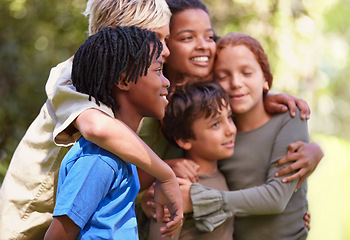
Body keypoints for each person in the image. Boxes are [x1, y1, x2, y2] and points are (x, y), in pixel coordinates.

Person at [0, 1, 183, 239]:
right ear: (114, 30)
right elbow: (97, 128)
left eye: (166, 39)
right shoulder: (70, 75)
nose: (166, 50)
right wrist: (165, 174)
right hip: (26, 225)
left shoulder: (125, 94)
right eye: (156, 37)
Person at [44, 25, 183, 239]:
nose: (166, 82)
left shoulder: (122, 153)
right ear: (124, 80)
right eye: (158, 70)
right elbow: (58, 236)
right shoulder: (99, 158)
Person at [189, 32, 311, 239]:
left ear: (265, 79)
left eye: (247, 73)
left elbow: (276, 198)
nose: (235, 83)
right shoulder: (217, 132)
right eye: (223, 76)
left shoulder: (290, 116)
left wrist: (199, 200)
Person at [148, 81, 236, 240]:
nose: (231, 129)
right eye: (215, 124)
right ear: (184, 139)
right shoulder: (177, 188)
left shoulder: (220, 174)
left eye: (229, 117)